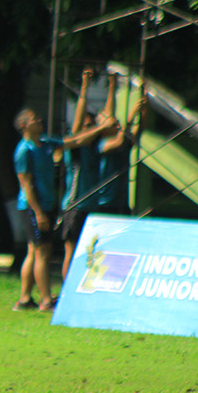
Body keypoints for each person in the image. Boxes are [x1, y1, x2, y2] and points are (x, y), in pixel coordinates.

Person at [12, 108, 115, 312]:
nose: (39, 120)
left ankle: (24, 299)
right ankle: (46, 300)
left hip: (47, 205)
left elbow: (76, 141)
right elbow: (26, 184)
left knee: (33, 251)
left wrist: (101, 127)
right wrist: (39, 212)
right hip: (33, 207)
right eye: (34, 119)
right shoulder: (24, 150)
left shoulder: (46, 144)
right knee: (43, 252)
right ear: (24, 125)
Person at [60, 68, 119, 281]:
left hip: (92, 206)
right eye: (87, 125)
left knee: (90, 252)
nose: (89, 128)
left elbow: (109, 123)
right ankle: (66, 291)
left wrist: (112, 86)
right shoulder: (75, 146)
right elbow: (78, 128)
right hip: (76, 204)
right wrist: (84, 87)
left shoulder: (95, 146)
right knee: (71, 251)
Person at [98, 73, 148, 215]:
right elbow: (119, 141)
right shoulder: (100, 144)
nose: (115, 123)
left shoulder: (124, 140)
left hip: (121, 201)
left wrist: (144, 103)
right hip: (104, 202)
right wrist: (132, 114)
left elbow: (140, 129)